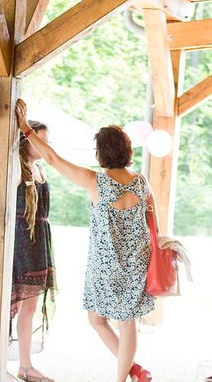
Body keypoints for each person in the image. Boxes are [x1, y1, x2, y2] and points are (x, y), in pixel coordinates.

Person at [16, 99, 155, 382]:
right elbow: (154, 223)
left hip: (106, 266)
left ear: (100, 152)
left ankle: (127, 374)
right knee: (127, 323)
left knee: (97, 320)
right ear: (127, 151)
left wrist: (25, 128)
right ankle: (132, 372)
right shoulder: (141, 181)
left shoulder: (97, 181)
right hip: (139, 261)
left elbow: (53, 159)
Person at [11, 120, 57, 382]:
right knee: (14, 304)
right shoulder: (18, 168)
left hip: (39, 241)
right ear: (27, 140)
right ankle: (4, 359)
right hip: (22, 241)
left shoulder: (40, 169)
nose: (46, 145)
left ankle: (25, 365)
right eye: (42, 140)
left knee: (30, 306)